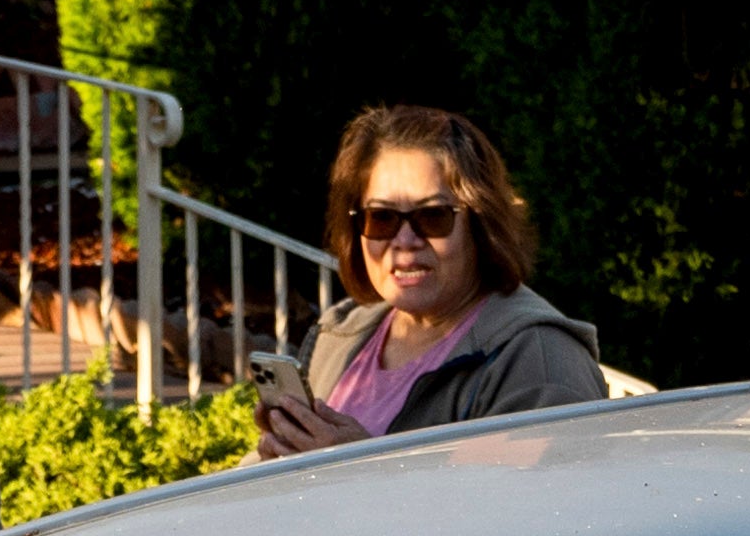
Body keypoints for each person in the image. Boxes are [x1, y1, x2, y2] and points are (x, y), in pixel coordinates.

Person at [251, 106, 614, 455]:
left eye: (433, 217)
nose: (404, 241)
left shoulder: (538, 362)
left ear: (482, 226)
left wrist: (361, 467)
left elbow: (530, 510)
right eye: (381, 218)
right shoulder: (343, 333)